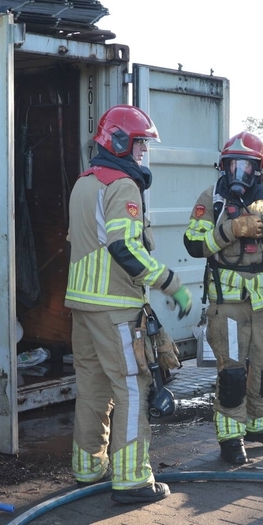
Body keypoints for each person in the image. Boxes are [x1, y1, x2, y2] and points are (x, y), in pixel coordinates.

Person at [65, 104, 192, 504]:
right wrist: (170, 282)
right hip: (115, 306)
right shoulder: (122, 185)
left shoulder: (84, 183)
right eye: (139, 145)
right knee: (132, 387)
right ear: (118, 142)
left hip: (82, 305)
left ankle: (87, 468)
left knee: (92, 387)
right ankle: (133, 479)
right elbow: (125, 248)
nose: (143, 154)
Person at [184, 131, 263, 465]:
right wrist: (230, 230)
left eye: (248, 165)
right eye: (233, 164)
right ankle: (230, 437)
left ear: (261, 167)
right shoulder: (212, 199)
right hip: (229, 305)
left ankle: (259, 426)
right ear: (223, 166)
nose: (240, 172)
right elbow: (194, 245)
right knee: (233, 374)